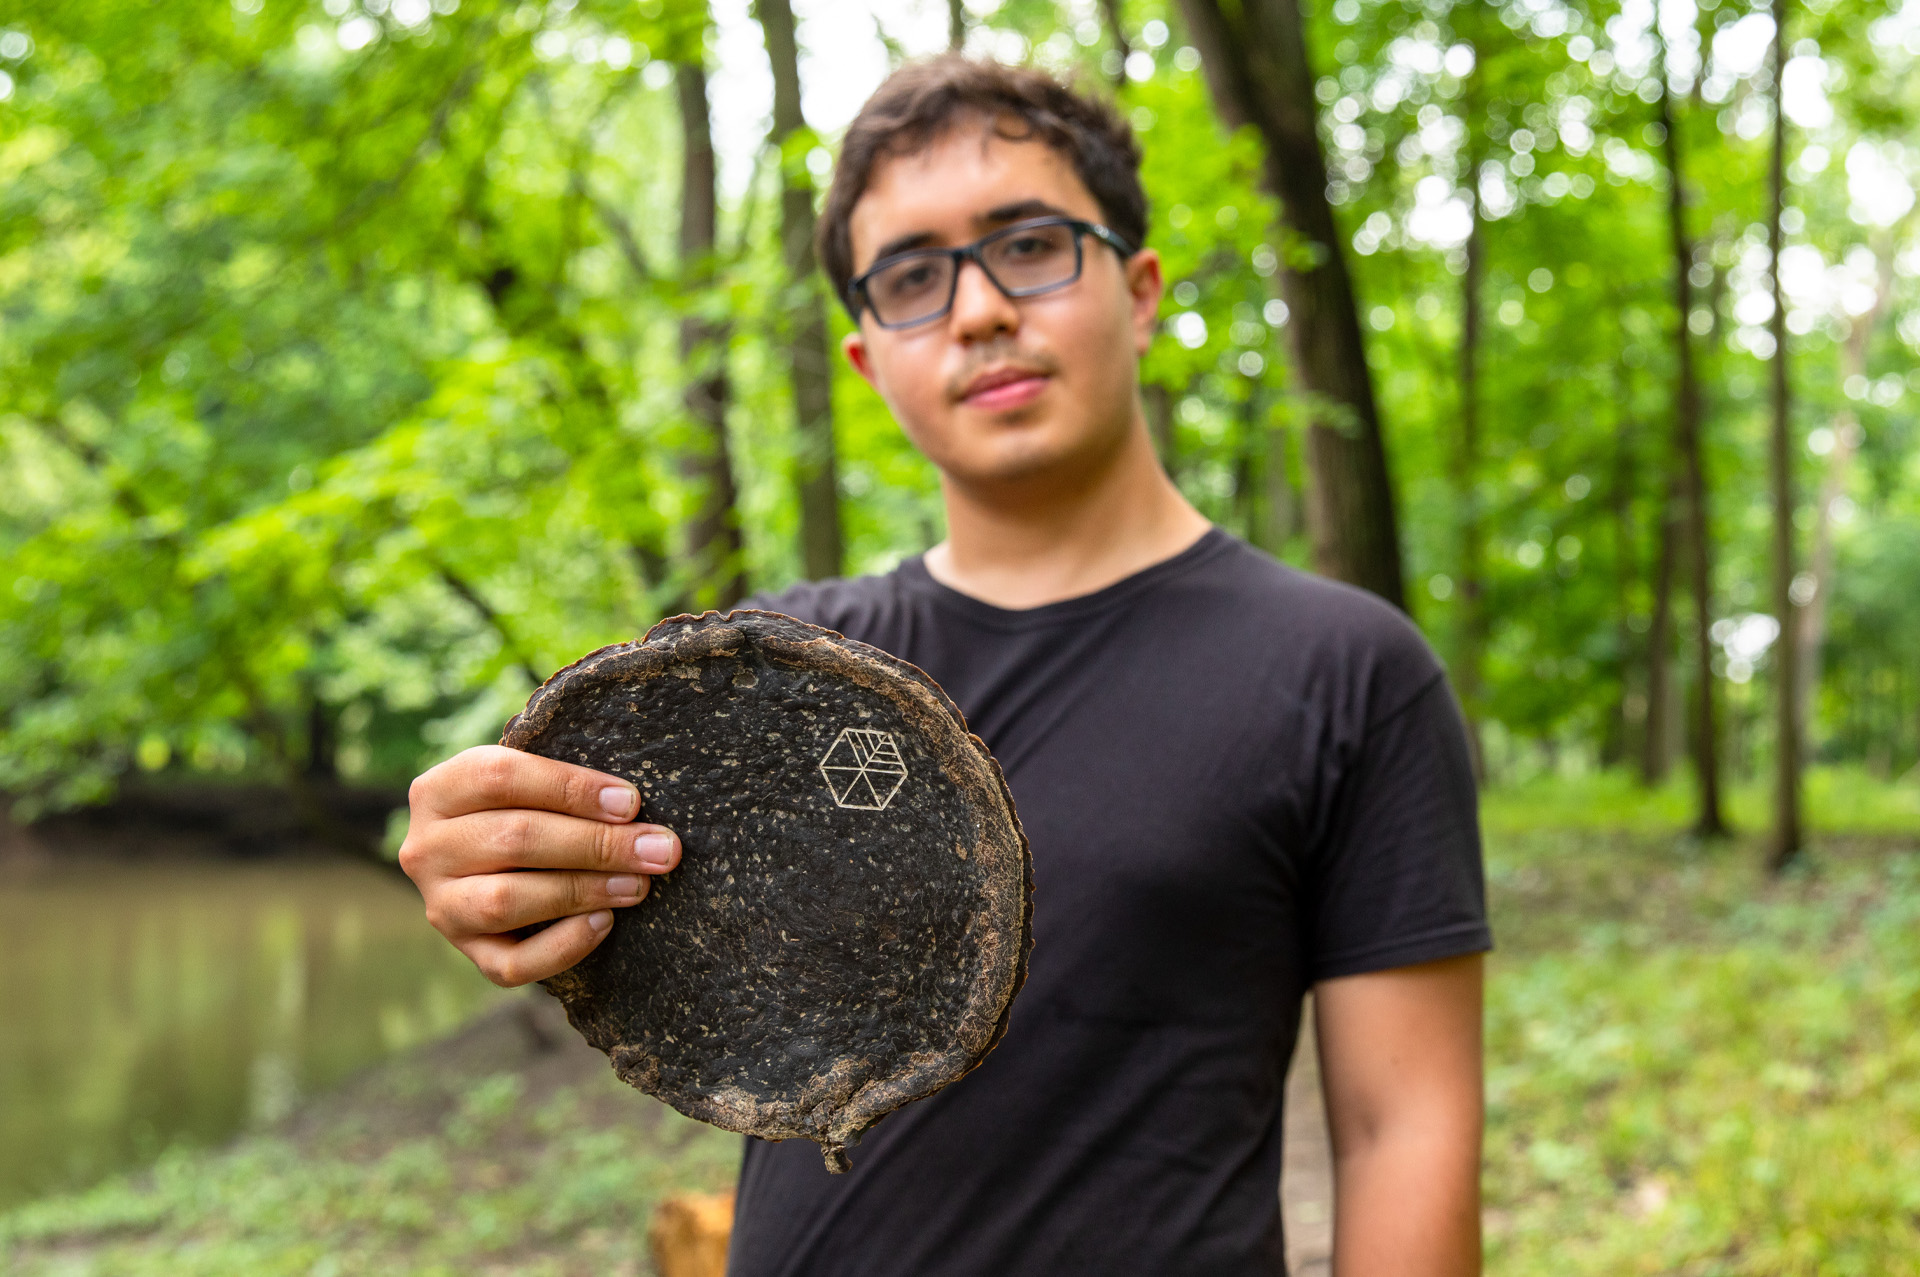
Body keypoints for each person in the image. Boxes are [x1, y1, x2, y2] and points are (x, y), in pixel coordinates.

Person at [400, 56, 1489, 1277]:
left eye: (1029, 244)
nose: (978, 311)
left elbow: (1403, 1128)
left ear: (1137, 292)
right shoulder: (771, 677)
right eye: (914, 276)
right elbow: (579, 868)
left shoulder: (1344, 671)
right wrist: (492, 861)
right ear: (870, 361)